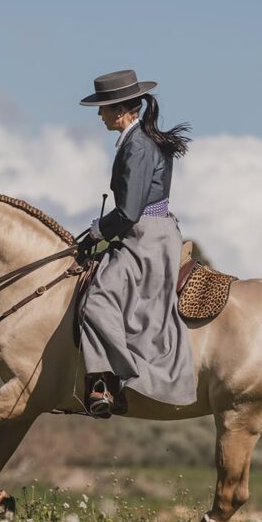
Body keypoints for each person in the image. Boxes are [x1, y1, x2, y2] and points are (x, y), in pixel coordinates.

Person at [77, 69, 198, 418]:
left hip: (147, 237)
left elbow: (129, 212)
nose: (99, 115)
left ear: (119, 111)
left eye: (102, 109)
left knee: (97, 300)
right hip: (145, 231)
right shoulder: (138, 141)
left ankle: (106, 386)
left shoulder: (137, 147)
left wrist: (99, 230)